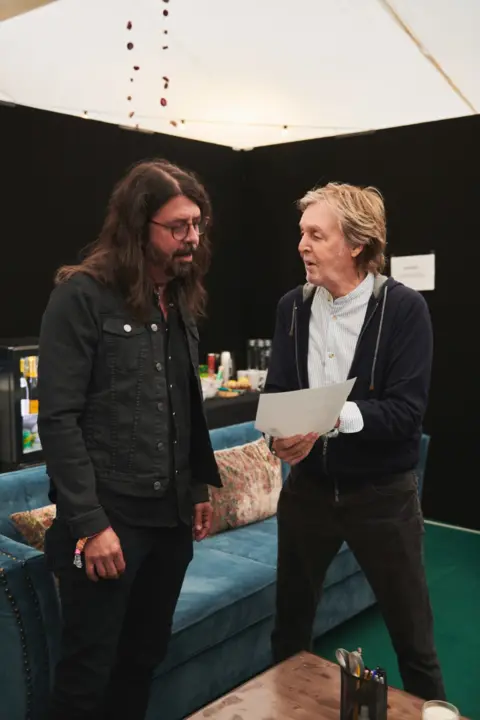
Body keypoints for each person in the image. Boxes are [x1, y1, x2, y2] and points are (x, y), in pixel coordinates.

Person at [38, 159, 222, 720]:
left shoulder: (179, 297)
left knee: (142, 659)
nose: (192, 238)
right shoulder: (82, 296)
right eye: (178, 227)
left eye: (197, 224)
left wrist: (196, 485)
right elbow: (59, 419)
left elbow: (182, 404)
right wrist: (91, 526)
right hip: (109, 521)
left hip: (168, 523)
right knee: (87, 673)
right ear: (139, 227)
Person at [264, 182, 446, 701]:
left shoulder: (405, 310)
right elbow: (279, 391)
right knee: (290, 633)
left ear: (356, 244)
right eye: (302, 233)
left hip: (383, 499)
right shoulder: (291, 308)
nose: (302, 245)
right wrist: (282, 439)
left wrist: (327, 418)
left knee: (414, 643)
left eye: (316, 235)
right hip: (307, 495)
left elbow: (406, 414)